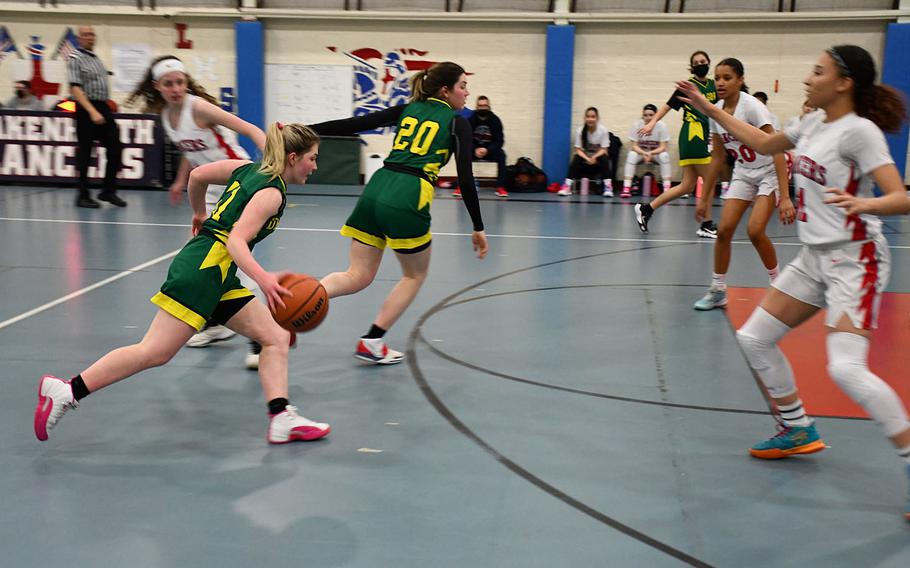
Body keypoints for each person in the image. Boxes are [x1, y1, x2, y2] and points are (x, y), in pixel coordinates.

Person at [677, 45, 910, 520]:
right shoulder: (811, 124)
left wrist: (866, 206)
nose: (808, 78)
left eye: (818, 71)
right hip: (813, 257)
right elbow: (762, 145)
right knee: (754, 338)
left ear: (844, 82)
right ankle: (798, 427)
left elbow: (899, 196)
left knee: (845, 369)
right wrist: (705, 108)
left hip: (854, 260)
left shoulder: (859, 132)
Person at [33, 122, 331, 445]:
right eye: (312, 158)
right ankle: (66, 391)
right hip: (205, 271)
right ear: (292, 157)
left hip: (217, 271)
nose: (315, 166)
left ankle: (281, 417)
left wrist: (200, 213)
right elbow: (236, 241)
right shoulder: (271, 193)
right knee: (154, 352)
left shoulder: (247, 168)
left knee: (274, 337)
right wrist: (265, 279)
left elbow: (197, 176)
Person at [309, 61, 488, 365]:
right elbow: (466, 177)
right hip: (409, 193)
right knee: (415, 275)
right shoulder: (458, 123)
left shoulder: (407, 109)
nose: (467, 93)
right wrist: (478, 226)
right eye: (462, 86)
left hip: (377, 186)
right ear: (445, 91)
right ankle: (373, 340)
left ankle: (296, 302)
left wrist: (303, 130)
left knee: (356, 274)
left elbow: (352, 124)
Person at [127, 55, 268, 368]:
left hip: (238, 185)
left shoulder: (199, 107)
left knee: (235, 258)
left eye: (180, 82)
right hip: (209, 187)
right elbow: (191, 153)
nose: (176, 88)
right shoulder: (167, 116)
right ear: (157, 87)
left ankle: (260, 338)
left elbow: (248, 128)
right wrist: (181, 181)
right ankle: (217, 324)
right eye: (169, 84)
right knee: (210, 262)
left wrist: (269, 160)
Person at [691, 58, 795, 311]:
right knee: (724, 230)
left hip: (770, 169)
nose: (721, 82)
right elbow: (717, 158)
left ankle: (777, 285)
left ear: (741, 80)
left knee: (755, 230)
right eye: (717, 78)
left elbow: (778, 148)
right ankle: (718, 290)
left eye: (727, 78)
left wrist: (785, 196)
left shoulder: (752, 107)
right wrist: (704, 197)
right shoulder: (715, 111)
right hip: (744, 171)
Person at [634, 50, 719, 238]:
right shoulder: (687, 86)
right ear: (692, 67)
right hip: (692, 133)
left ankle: (647, 209)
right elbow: (667, 105)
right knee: (710, 178)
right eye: (696, 62)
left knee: (688, 185)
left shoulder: (714, 86)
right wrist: (652, 122)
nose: (700, 64)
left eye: (703, 61)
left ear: (709, 63)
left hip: (704, 134)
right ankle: (706, 224)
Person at [66, 26, 125, 209]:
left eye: (92, 34)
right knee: (85, 152)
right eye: (85, 35)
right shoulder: (75, 58)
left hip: (102, 106)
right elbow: (75, 88)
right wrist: (91, 111)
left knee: (116, 147)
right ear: (79, 38)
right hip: (86, 108)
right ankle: (82, 195)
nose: (90, 38)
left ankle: (108, 191)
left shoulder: (96, 58)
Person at [452, 95, 508, 198]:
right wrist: (474, 149)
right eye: (480, 106)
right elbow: (465, 139)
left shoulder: (495, 121)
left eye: (485, 106)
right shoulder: (470, 120)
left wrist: (487, 149)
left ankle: (500, 187)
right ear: (477, 107)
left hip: (490, 151)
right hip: (474, 150)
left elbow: (499, 141)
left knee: (502, 155)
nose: (483, 108)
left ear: (489, 106)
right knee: (461, 155)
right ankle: (461, 186)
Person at [557, 107, 613, 197]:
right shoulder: (580, 131)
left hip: (597, 160)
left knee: (604, 158)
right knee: (576, 158)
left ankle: (608, 187)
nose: (590, 119)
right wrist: (587, 158)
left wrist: (594, 157)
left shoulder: (603, 130)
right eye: (588, 116)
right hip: (585, 160)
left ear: (597, 118)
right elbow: (578, 150)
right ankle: (567, 186)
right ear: (585, 118)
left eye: (593, 117)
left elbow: (604, 149)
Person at [622, 103, 671, 198]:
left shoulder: (662, 126)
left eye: (651, 115)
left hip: (655, 155)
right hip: (642, 154)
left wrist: (651, 153)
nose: (648, 117)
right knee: (631, 155)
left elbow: (662, 147)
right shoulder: (637, 125)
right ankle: (626, 188)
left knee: (665, 156)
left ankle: (667, 189)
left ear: (656, 115)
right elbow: (634, 146)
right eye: (645, 115)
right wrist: (645, 153)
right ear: (642, 115)